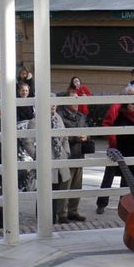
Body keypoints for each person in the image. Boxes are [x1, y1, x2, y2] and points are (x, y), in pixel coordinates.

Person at [58, 88, 89, 222]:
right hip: (67, 155)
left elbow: (86, 128)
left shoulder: (81, 116)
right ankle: (62, 213)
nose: (76, 102)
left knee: (77, 185)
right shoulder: (60, 116)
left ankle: (73, 210)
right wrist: (74, 138)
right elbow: (60, 135)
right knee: (65, 184)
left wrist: (86, 136)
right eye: (73, 99)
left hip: (79, 154)